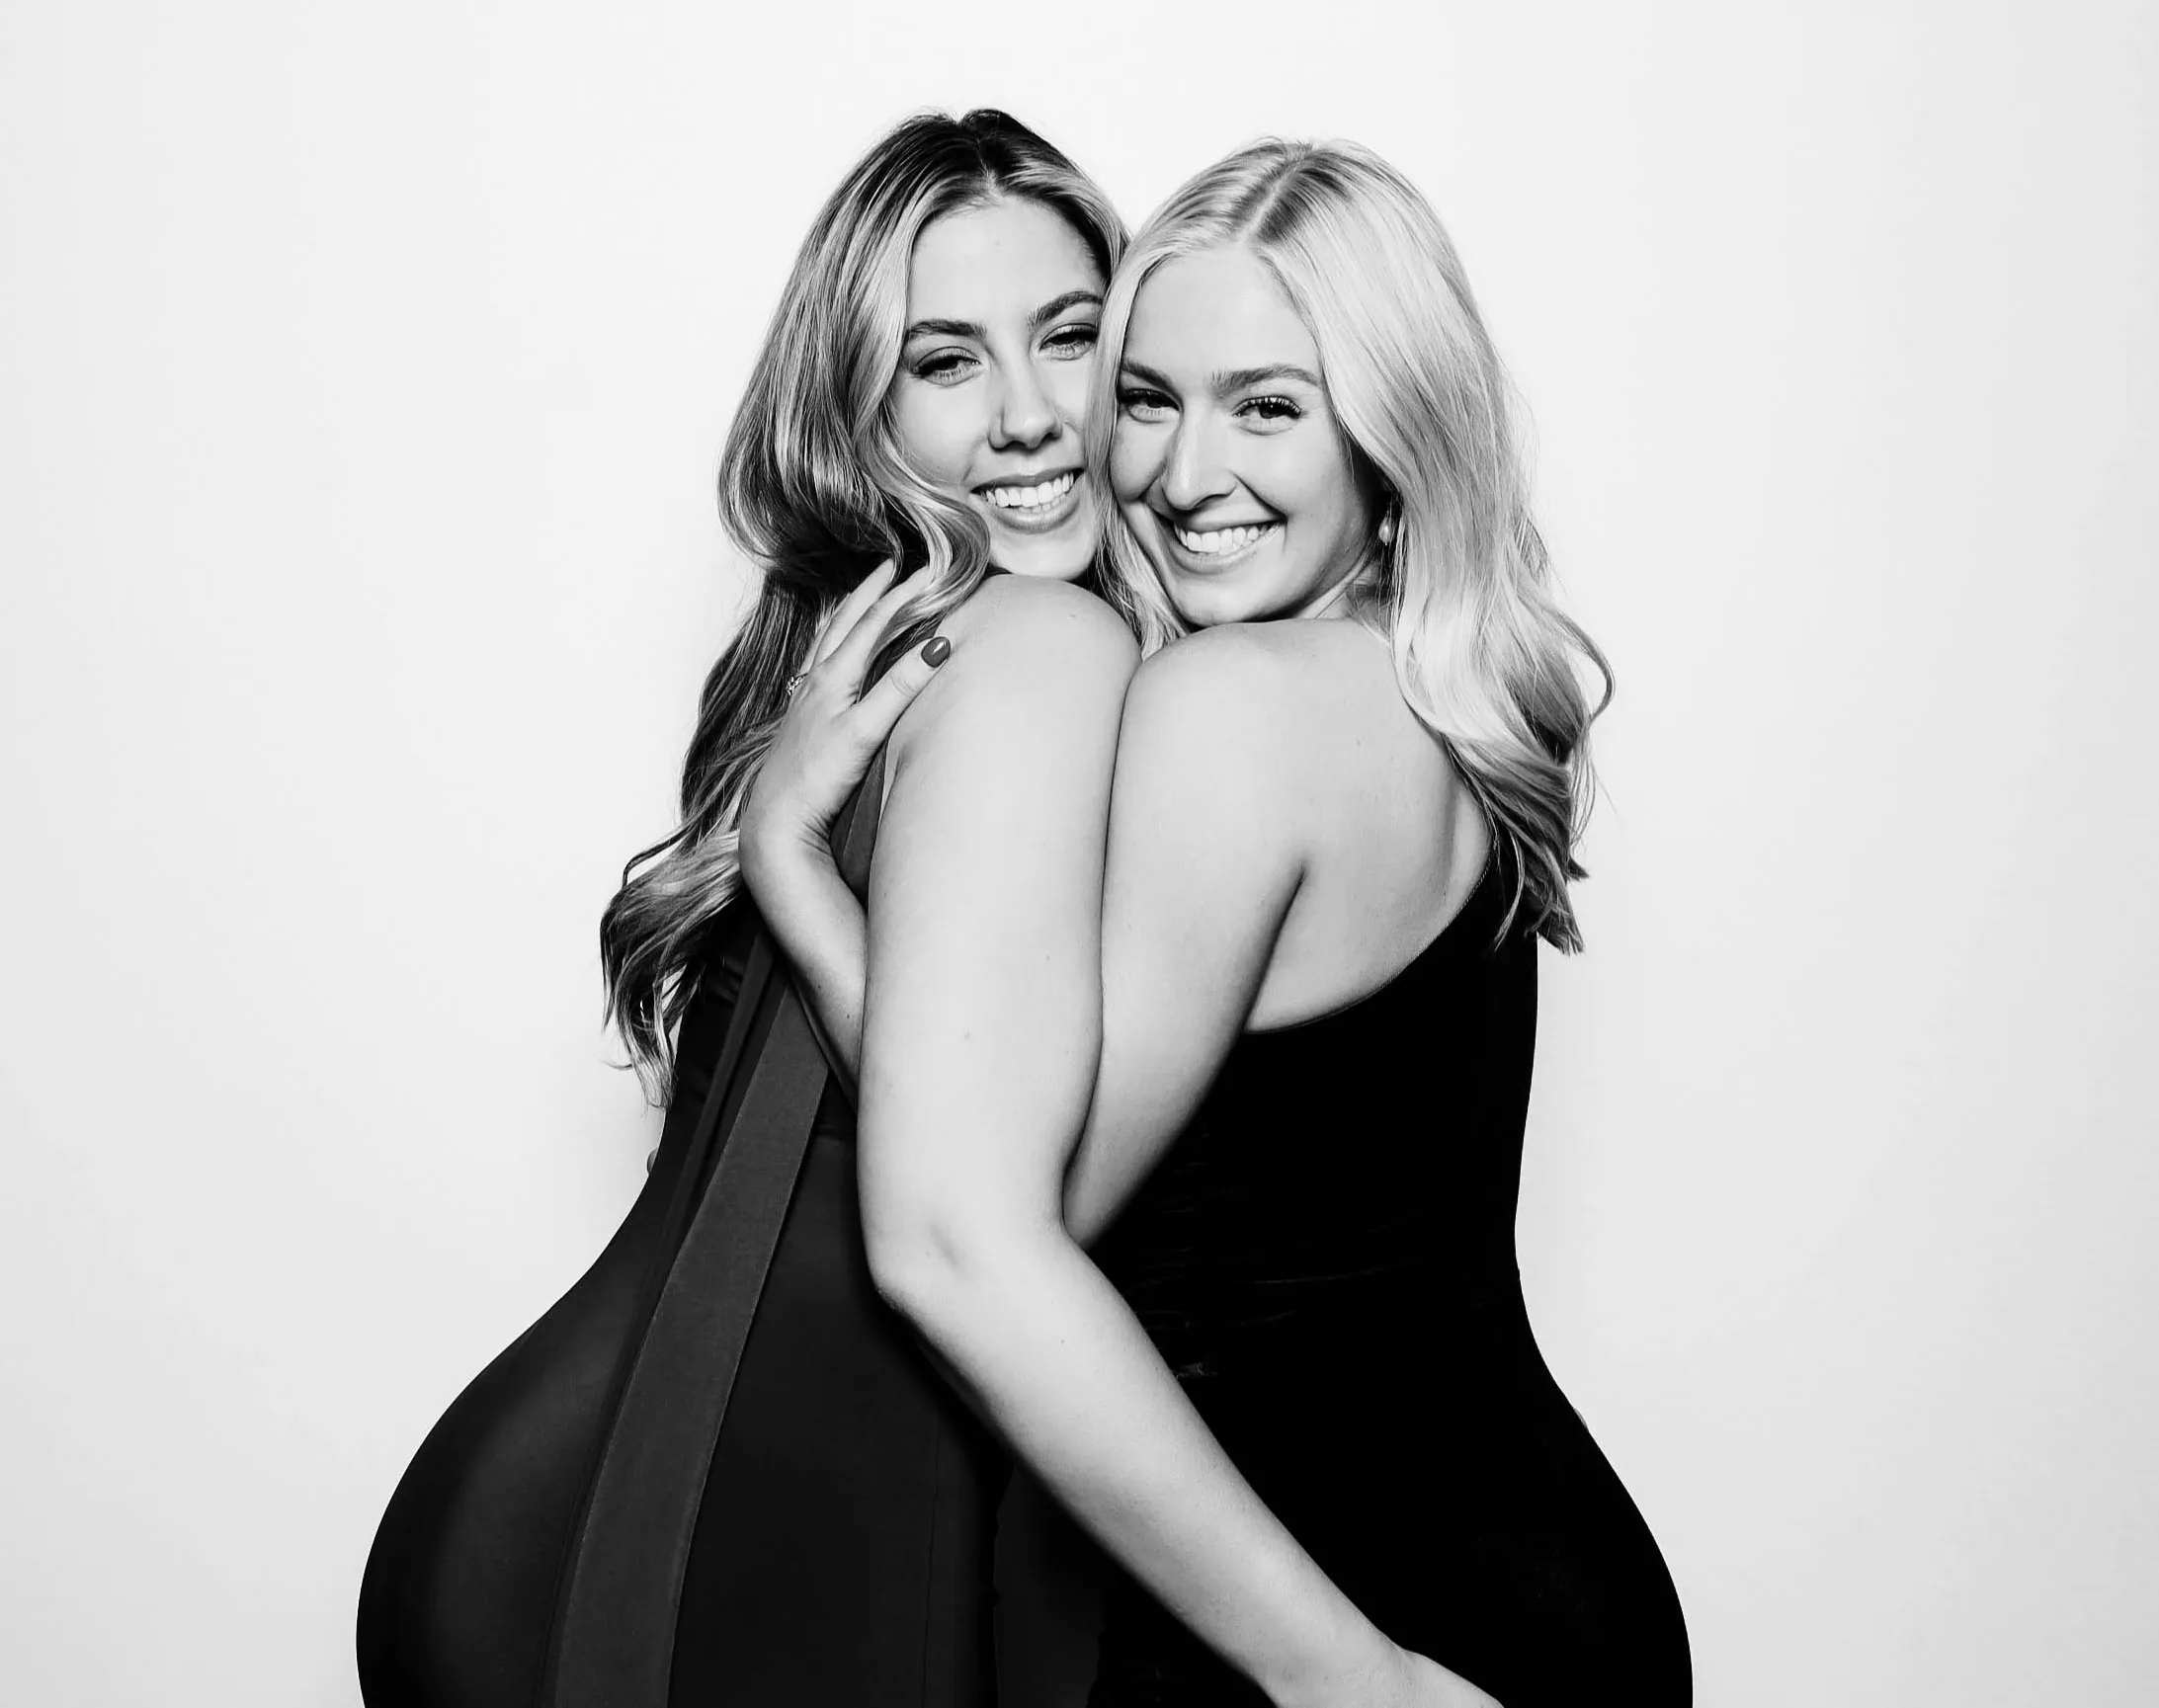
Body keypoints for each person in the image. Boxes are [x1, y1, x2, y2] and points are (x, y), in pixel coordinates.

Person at [741, 138, 1691, 1707]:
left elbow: (1003, 1214)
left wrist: (788, 858)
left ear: (1393, 433)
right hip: (1512, 1572)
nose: (1184, 477)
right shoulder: (1420, 693)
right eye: (1150, 396)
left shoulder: (1224, 711)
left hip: (1358, 1628)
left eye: (1268, 406)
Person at [355, 109, 1132, 1708]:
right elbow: (981, 1189)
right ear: (862, 408)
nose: (1034, 416)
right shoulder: (1035, 655)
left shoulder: (835, 667)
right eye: (947, 362)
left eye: (1069, 336)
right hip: (743, 1552)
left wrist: (787, 848)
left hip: (599, 1501)